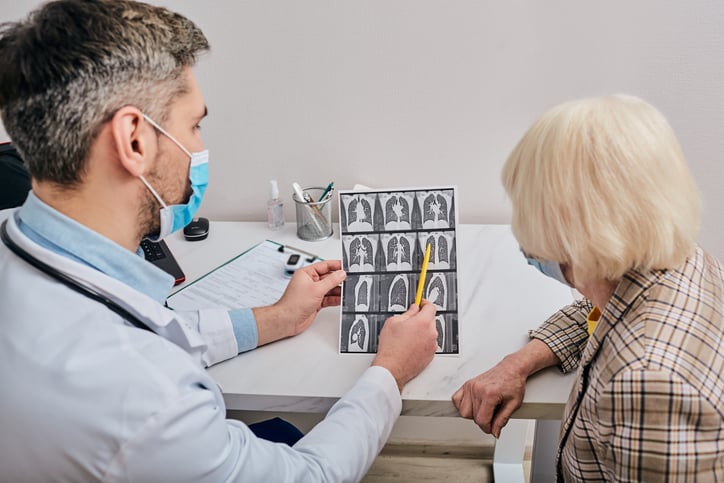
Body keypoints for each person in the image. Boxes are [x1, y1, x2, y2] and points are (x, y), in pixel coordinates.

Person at [0, 1, 439, 481]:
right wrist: (391, 371)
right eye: (193, 125)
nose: (199, 148)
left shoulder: (20, 245)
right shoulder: (144, 401)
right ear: (135, 141)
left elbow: (148, 328)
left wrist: (277, 318)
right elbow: (314, 476)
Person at [453, 95, 723, 481]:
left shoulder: (648, 384)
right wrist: (518, 363)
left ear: (573, 227)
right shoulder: (676, 258)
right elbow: (596, 312)